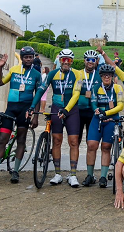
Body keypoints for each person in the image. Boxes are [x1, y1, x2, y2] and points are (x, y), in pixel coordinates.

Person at [0, 46, 41, 183]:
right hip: (11, 109)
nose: (28, 59)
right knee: (2, 139)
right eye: (26, 57)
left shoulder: (36, 74)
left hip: (25, 110)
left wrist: (35, 116)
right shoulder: (14, 70)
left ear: (33, 58)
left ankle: (15, 171)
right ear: (22, 58)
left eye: (30, 57)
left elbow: (38, 95)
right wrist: (0, 67)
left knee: (21, 140)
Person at [30, 48, 82, 188]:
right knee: (57, 140)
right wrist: (32, 106)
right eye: (63, 59)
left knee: (73, 141)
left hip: (71, 111)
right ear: (59, 61)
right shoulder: (52, 74)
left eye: (69, 60)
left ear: (72, 62)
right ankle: (57, 173)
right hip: (56, 109)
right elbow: (41, 90)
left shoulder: (77, 74)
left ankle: (73, 175)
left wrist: (66, 109)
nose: (66, 62)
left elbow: (76, 94)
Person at [85, 65, 124, 187]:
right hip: (97, 119)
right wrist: (97, 110)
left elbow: (120, 106)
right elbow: (93, 102)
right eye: (104, 75)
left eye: (109, 75)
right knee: (91, 145)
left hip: (111, 120)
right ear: (101, 76)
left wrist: (106, 113)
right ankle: (90, 175)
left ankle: (103, 176)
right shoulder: (96, 87)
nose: (106, 77)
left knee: (106, 147)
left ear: (112, 76)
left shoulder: (118, 88)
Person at [77, 50, 102, 144]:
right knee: (77, 139)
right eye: (88, 59)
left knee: (90, 140)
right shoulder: (78, 73)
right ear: (84, 60)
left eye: (93, 59)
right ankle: (75, 159)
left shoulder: (100, 75)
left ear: (97, 61)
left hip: (93, 111)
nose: (90, 61)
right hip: (79, 110)